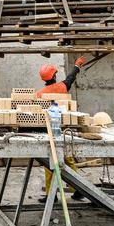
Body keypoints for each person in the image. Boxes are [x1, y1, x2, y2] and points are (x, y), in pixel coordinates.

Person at [36, 55, 89, 200]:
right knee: (68, 159)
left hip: (49, 130)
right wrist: (77, 65)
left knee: (49, 163)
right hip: (63, 128)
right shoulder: (62, 87)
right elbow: (71, 77)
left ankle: (50, 195)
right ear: (54, 76)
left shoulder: (40, 94)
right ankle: (77, 189)